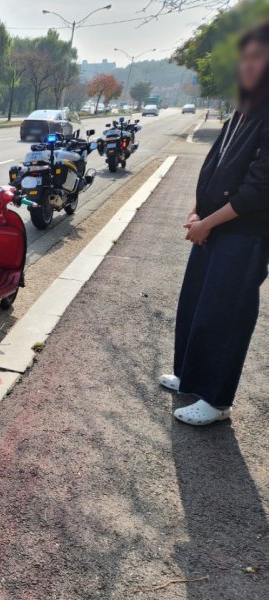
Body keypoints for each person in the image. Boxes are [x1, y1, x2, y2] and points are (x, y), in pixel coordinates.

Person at [161, 20, 269, 426]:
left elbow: (259, 189)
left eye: (257, 57)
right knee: (196, 305)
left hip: (243, 233)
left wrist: (209, 222)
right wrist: (196, 213)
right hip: (213, 228)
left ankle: (216, 399)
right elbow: (213, 169)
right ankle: (190, 377)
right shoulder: (241, 112)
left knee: (226, 313)